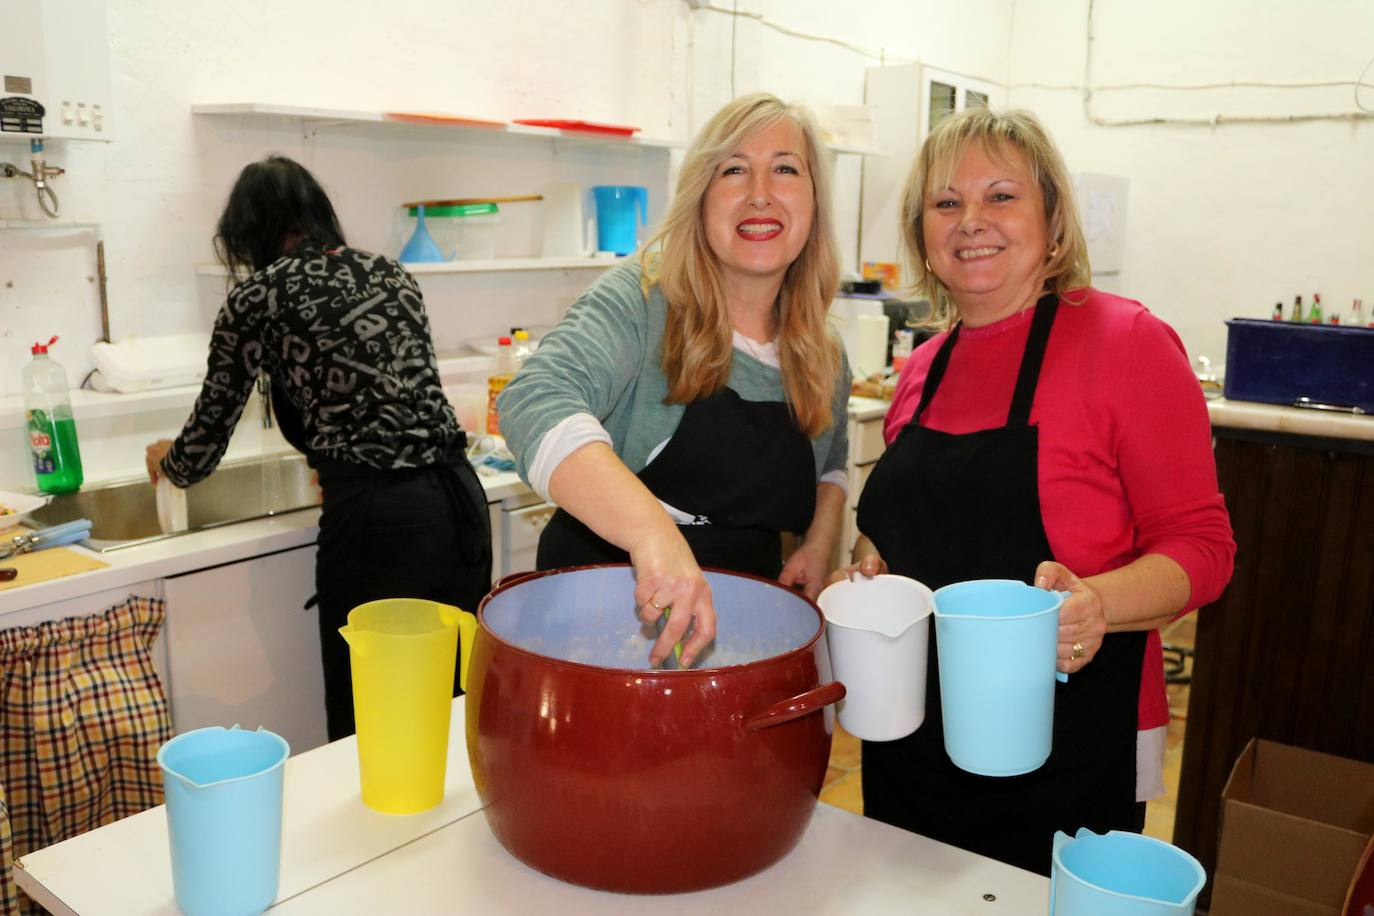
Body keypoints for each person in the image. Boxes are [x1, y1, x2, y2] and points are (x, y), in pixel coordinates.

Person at [832, 108, 1235, 874]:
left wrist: (1097, 606)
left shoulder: (1128, 343)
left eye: (1001, 196)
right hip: (911, 738)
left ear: (1053, 222)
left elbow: (1204, 548)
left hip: (1064, 743)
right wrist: (871, 563)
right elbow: (908, 527)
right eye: (946, 203)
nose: (970, 221)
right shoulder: (923, 369)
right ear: (923, 234)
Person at [497, 93, 852, 669]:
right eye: (733, 169)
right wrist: (653, 535)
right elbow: (534, 398)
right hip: (602, 617)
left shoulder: (823, 350)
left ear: (814, 201)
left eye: (785, 168)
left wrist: (817, 539)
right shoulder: (642, 301)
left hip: (746, 624)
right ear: (701, 198)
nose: (760, 191)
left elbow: (833, 460)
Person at [145, 156, 491, 741]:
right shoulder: (391, 273)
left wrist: (168, 463)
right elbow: (382, 392)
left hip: (379, 520)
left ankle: (384, 828)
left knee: (369, 707)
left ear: (252, 231)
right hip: (459, 501)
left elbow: (206, 438)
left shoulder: (256, 297)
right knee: (455, 696)